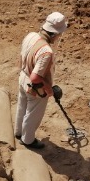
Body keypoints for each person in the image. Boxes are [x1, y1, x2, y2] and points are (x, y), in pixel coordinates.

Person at [14, 12, 68, 149]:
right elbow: (35, 77)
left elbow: (21, 57)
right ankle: (28, 140)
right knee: (33, 114)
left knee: (22, 106)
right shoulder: (46, 52)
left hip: (22, 77)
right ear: (55, 34)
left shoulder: (31, 35)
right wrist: (48, 89)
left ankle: (18, 132)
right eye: (59, 34)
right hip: (35, 87)